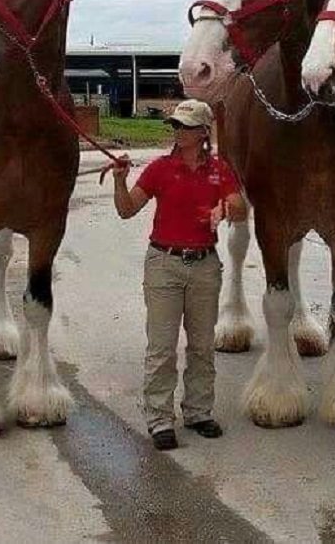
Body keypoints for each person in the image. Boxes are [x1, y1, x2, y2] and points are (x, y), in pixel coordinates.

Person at [111, 99, 247, 451]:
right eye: (175, 125)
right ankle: (159, 419)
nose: (178, 131)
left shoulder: (219, 169)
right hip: (164, 264)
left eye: (186, 126)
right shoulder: (159, 169)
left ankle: (199, 411)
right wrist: (120, 182)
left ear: (203, 132)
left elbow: (240, 207)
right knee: (162, 348)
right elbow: (127, 210)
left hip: (204, 265)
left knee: (202, 346)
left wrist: (225, 206)